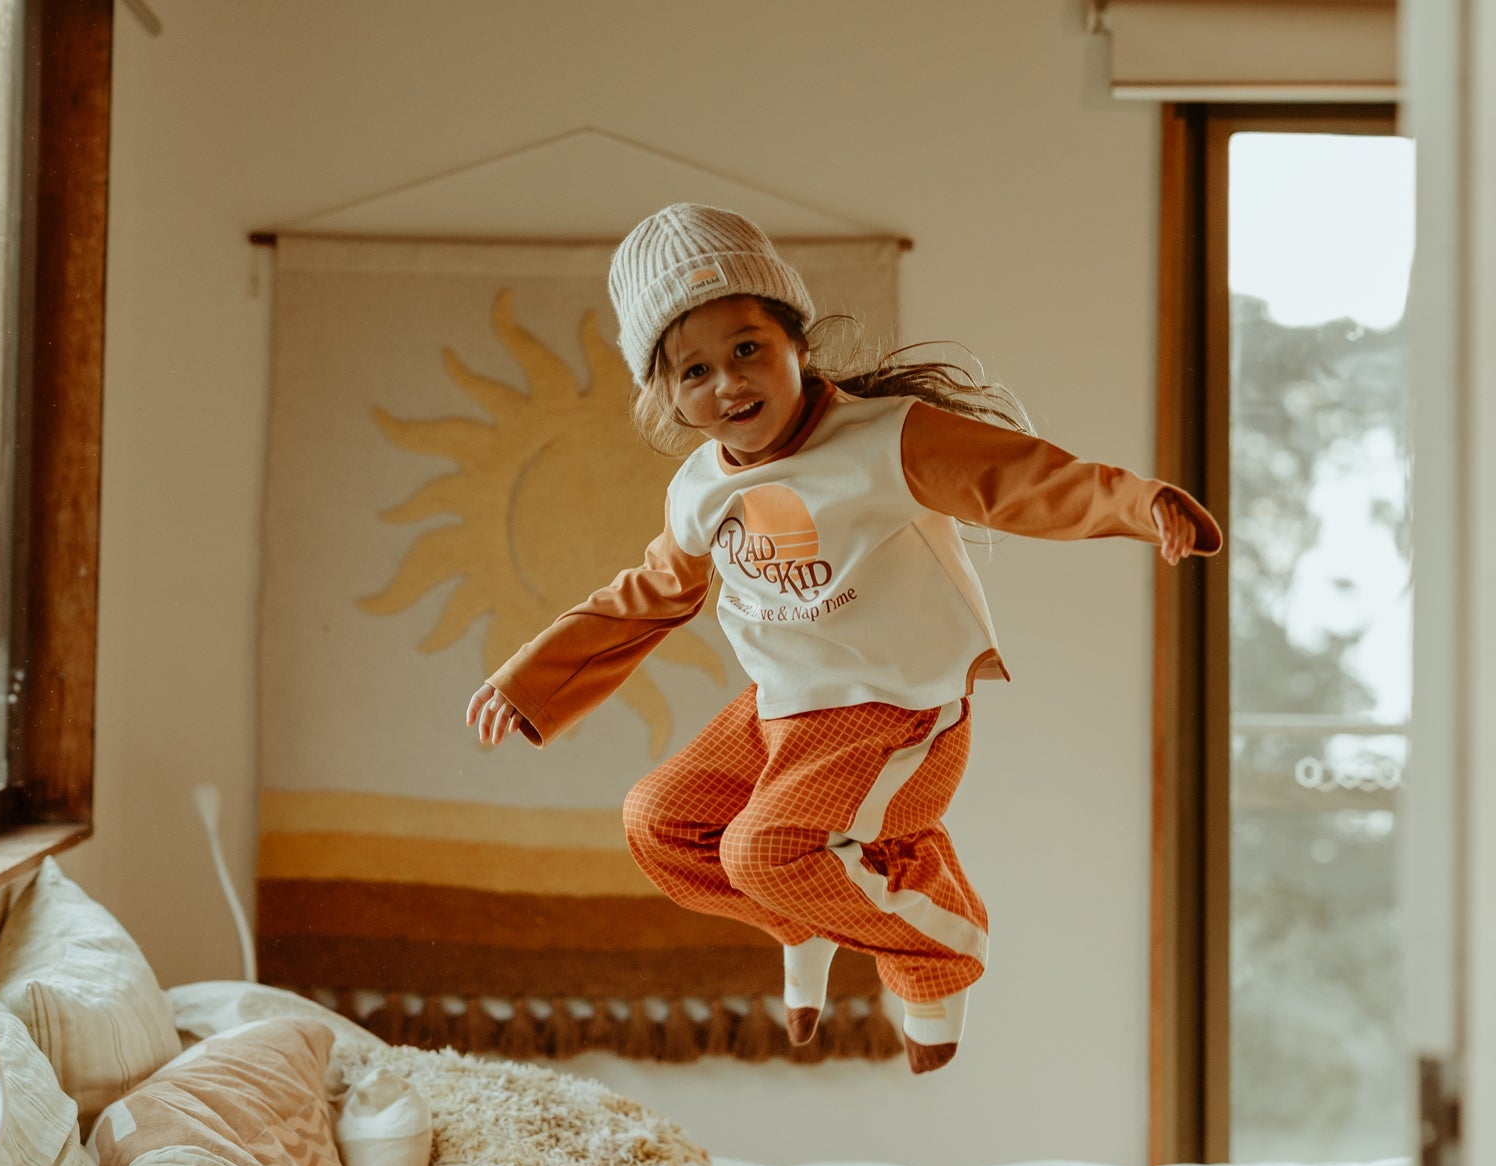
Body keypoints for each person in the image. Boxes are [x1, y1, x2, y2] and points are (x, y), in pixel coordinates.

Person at [467, 204, 1221, 1074]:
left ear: (796, 341)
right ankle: (809, 919)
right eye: (695, 371)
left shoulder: (883, 440)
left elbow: (1020, 479)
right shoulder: (698, 488)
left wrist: (1142, 505)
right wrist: (530, 681)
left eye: (748, 348)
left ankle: (939, 944)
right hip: (782, 709)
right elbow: (647, 597)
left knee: (762, 849)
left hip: (896, 708)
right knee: (659, 825)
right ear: (669, 396)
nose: (728, 383)